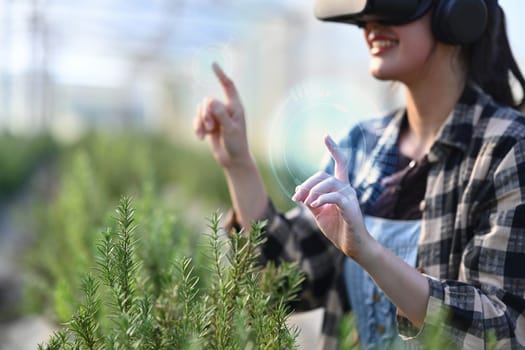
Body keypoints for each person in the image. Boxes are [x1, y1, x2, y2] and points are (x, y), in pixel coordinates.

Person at [193, 0, 525, 349]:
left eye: (393, 6)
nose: (371, 24)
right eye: (366, 13)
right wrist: (239, 163)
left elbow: (503, 331)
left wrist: (370, 253)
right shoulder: (363, 147)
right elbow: (285, 284)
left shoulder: (506, 149)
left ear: (456, 12)